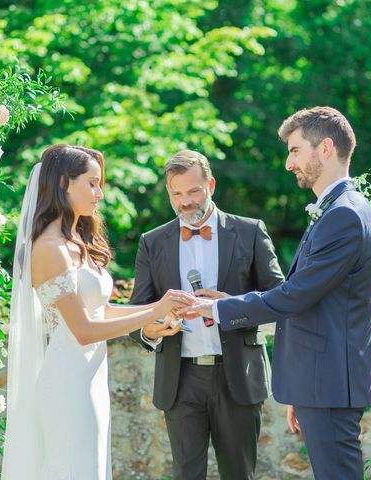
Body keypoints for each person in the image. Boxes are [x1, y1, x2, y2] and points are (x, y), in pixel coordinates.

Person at [185, 107, 371, 480]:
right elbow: (315, 299)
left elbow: (295, 296)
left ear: (325, 148)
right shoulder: (337, 209)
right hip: (320, 382)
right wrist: (300, 388)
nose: (288, 163)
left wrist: (220, 308)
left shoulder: (345, 214)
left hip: (330, 384)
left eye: (294, 150)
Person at [1, 145, 194, 480]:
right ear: (64, 183)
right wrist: (155, 310)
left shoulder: (76, 241)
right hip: (67, 381)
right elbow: (84, 330)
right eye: (92, 183)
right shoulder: (50, 248)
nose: (100, 194)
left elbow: (102, 310)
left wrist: (161, 309)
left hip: (89, 377)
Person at [129, 150, 284, 480]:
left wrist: (231, 304)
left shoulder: (250, 231)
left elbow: (281, 300)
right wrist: (154, 330)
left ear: (210, 184)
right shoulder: (152, 242)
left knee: (239, 474)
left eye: (193, 191)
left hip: (237, 376)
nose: (185, 202)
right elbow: (136, 314)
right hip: (180, 379)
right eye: (176, 194)